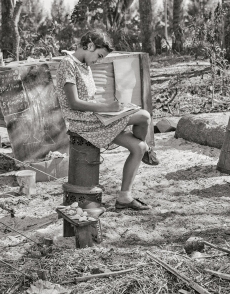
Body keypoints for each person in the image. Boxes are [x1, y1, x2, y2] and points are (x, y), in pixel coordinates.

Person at [54, 29, 158, 211]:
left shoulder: (84, 66)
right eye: (99, 56)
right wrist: (108, 108)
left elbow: (89, 100)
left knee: (138, 147)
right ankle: (149, 148)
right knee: (144, 116)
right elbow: (74, 103)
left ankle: (124, 197)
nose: (99, 60)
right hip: (84, 123)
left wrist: (112, 108)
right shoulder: (67, 64)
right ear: (90, 46)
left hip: (96, 120)